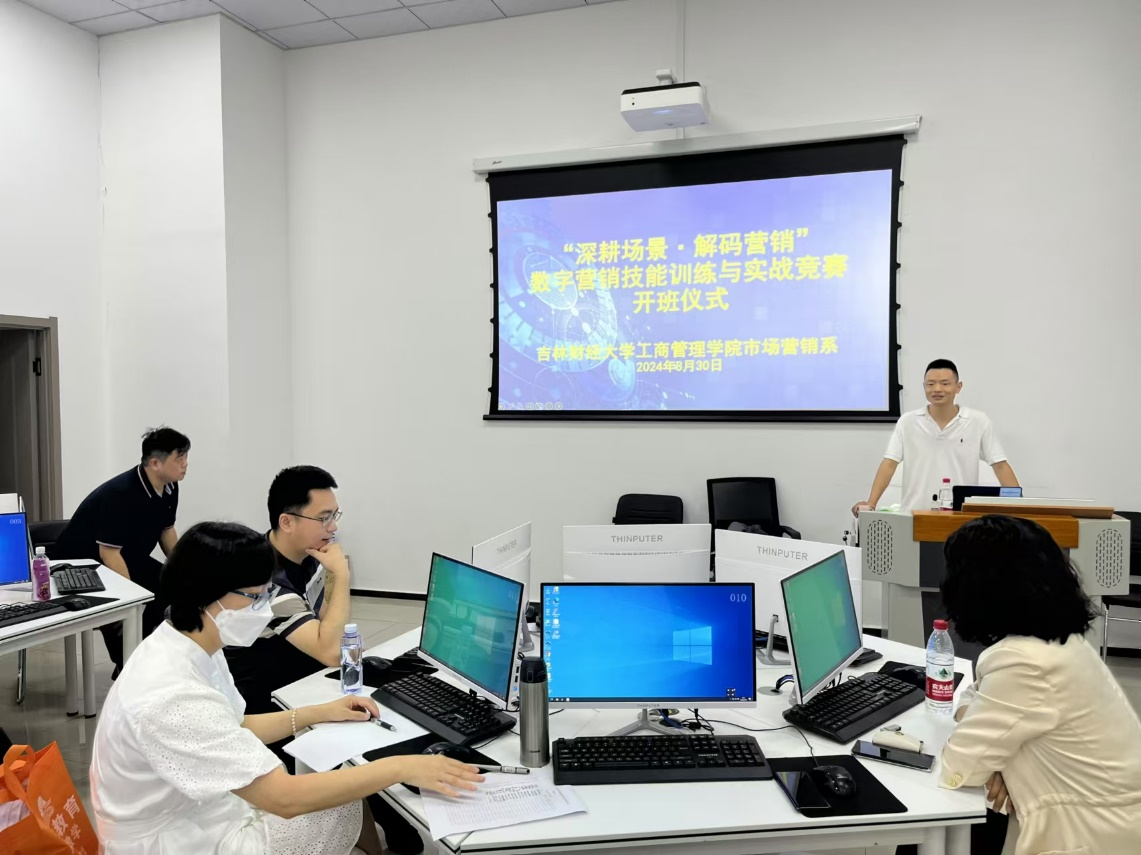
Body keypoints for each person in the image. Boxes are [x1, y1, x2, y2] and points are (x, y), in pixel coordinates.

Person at [89, 521, 482, 855]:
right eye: (256, 597)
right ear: (208, 595)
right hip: (177, 840)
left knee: (345, 789)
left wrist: (317, 713)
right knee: (343, 794)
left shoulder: (190, 639)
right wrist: (402, 767)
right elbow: (284, 799)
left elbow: (233, 725)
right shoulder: (172, 694)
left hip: (201, 811)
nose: (264, 608)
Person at [224, 465, 426, 855]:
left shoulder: (310, 556)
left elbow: (331, 629)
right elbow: (330, 649)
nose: (333, 527)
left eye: (335, 515)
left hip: (309, 677)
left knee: (392, 703)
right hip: (271, 700)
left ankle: (390, 821)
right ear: (286, 521)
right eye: (324, 517)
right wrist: (343, 575)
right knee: (364, 747)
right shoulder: (266, 579)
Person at [938, 515, 1141, 854]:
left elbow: (957, 768)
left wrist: (989, 761)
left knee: (943, 817)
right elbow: (977, 694)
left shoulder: (1024, 662)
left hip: (1093, 836)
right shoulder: (1062, 643)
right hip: (1115, 818)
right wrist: (995, 762)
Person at [53, 426, 190, 675]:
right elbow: (108, 553)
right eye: (179, 458)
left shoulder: (170, 486)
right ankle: (127, 665)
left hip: (125, 555)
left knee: (172, 586)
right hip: (83, 564)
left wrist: (184, 568)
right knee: (138, 603)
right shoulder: (122, 493)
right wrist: (131, 597)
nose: (185, 464)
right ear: (155, 463)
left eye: (185, 457)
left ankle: (145, 657)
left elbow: (166, 530)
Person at [853, 359, 1019, 515]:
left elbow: (1000, 465)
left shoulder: (977, 421)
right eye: (930, 384)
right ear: (924, 386)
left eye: (945, 383)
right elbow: (889, 463)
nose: (937, 389)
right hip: (914, 513)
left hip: (960, 515)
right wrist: (871, 503)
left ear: (958, 387)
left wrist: (1020, 506)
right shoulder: (908, 421)